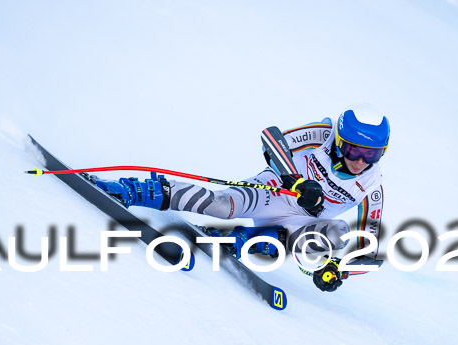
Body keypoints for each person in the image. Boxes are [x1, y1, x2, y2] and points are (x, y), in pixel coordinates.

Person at [91, 103, 388, 292]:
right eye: (352, 150)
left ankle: (247, 240)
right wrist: (296, 182)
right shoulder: (322, 134)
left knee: (337, 233)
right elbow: (271, 138)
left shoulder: (372, 186)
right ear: (338, 139)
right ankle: (135, 190)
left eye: (371, 154)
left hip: (300, 225)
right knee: (220, 204)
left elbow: (370, 251)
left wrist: (339, 269)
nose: (360, 161)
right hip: (273, 191)